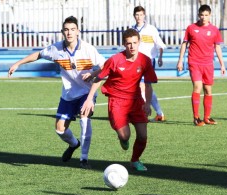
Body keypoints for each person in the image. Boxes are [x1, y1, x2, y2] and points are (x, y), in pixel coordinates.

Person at [8, 16, 105, 168]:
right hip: (68, 94)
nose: (69, 33)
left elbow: (104, 68)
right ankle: (74, 144)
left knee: (84, 118)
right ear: (62, 32)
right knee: (60, 129)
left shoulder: (88, 49)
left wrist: (92, 80)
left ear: (78, 31)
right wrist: (18, 63)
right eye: (66, 30)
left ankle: (84, 159)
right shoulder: (56, 49)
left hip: (86, 92)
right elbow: (38, 55)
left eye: (72, 29)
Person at [81, 28, 157, 171]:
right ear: (124, 44)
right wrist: (89, 99)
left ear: (139, 42)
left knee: (142, 135)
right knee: (125, 135)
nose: (132, 46)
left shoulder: (145, 60)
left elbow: (148, 85)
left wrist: (147, 103)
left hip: (136, 101)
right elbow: (99, 78)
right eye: (129, 43)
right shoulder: (115, 60)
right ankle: (123, 139)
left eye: (135, 42)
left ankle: (135, 160)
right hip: (117, 101)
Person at [176, 4, 226, 126]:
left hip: (208, 64)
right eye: (202, 15)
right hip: (194, 62)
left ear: (210, 15)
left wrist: (222, 64)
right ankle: (196, 117)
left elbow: (217, 47)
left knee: (208, 90)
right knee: (197, 87)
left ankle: (207, 117)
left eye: (206, 15)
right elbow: (184, 44)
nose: (204, 17)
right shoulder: (191, 28)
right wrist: (180, 60)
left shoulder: (214, 30)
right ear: (199, 15)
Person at [132, 5, 166, 122]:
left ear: (144, 15)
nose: (139, 17)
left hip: (148, 62)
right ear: (134, 16)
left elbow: (160, 45)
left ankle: (144, 112)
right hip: (135, 62)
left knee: (144, 86)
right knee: (144, 87)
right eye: (137, 15)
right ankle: (159, 113)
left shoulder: (151, 29)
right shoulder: (132, 30)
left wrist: (160, 58)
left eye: (141, 14)